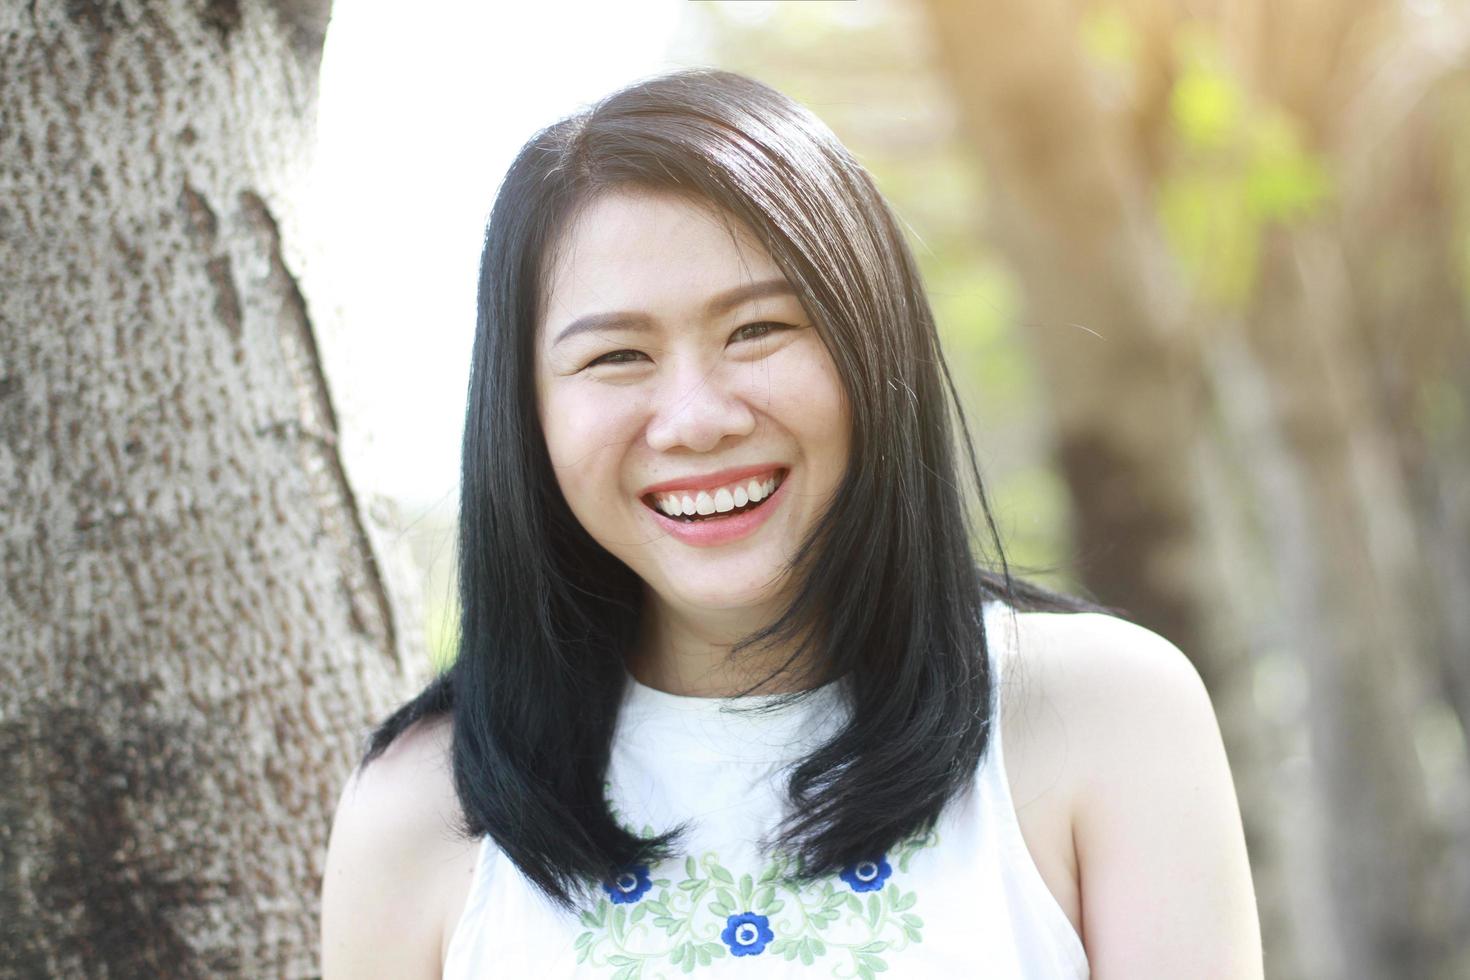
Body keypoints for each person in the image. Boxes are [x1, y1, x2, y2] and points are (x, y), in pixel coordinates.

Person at [319, 68, 1263, 978]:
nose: (695, 418)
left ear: (870, 343)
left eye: (757, 331)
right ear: (525, 416)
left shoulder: (1099, 714)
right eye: (616, 355)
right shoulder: (421, 809)